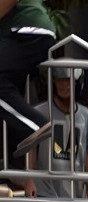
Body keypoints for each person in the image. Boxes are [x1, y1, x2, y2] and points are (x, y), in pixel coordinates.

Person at [0, 0, 55, 161]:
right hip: (25, 31)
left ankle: (37, 125)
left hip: (26, 30)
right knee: (9, 94)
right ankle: (14, 166)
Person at [31, 66, 88, 199]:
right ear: (53, 82)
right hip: (45, 191)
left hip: (76, 191)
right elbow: (30, 149)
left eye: (69, 80)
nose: (65, 85)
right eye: (60, 80)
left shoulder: (87, 116)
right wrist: (30, 180)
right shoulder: (39, 113)